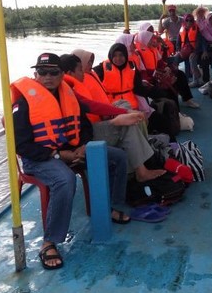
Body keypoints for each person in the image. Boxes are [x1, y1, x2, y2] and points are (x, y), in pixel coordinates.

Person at [11, 53, 130, 271]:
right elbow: (20, 145)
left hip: (72, 151)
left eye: (53, 72)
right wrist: (57, 155)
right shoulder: (23, 104)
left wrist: (83, 145)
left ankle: (108, 207)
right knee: (65, 180)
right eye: (42, 72)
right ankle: (49, 242)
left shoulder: (69, 96)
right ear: (35, 75)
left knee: (118, 158)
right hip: (39, 158)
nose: (48, 77)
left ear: (61, 75)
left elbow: (84, 126)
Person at [60, 53, 166, 183]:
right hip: (84, 139)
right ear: (69, 73)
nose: (84, 72)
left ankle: (139, 164)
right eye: (80, 69)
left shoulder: (67, 89)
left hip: (88, 131)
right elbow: (91, 108)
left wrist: (124, 111)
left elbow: (93, 106)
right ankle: (141, 171)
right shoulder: (63, 92)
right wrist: (115, 120)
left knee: (126, 114)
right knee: (126, 124)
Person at [177, 13, 203, 87]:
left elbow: (199, 42)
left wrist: (195, 52)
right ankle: (177, 79)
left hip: (195, 51)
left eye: (191, 20)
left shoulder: (197, 30)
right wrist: (179, 51)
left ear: (193, 21)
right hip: (184, 51)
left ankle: (195, 81)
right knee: (175, 58)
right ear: (184, 21)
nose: (189, 22)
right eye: (187, 20)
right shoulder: (182, 29)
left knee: (192, 59)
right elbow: (178, 42)